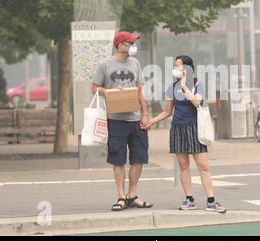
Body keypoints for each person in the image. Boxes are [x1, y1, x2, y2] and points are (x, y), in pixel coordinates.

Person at [145, 55, 226, 213]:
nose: (175, 69)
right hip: (178, 128)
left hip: (195, 129)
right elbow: (167, 111)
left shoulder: (198, 84)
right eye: (174, 66)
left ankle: (211, 201)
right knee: (183, 166)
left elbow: (197, 102)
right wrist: (151, 121)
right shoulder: (171, 87)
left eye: (178, 66)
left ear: (187, 68)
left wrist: (184, 86)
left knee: (203, 166)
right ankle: (189, 200)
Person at [92, 31, 153, 211]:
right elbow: (94, 88)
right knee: (118, 159)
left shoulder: (135, 63)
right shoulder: (104, 64)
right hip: (115, 119)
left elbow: (140, 90)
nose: (133, 46)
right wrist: (111, 92)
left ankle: (132, 195)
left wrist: (145, 114)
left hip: (135, 119)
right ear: (120, 45)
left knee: (138, 157)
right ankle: (120, 196)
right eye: (130, 43)